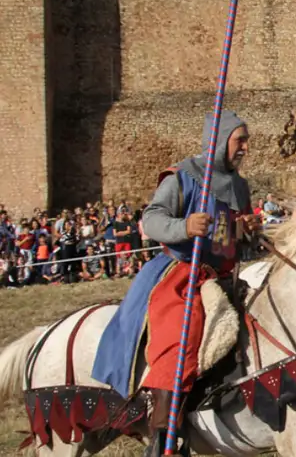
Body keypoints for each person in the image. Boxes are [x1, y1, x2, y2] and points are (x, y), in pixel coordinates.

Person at [92, 110, 259, 456]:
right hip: (183, 272)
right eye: (239, 140)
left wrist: (249, 234)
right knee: (182, 337)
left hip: (226, 275)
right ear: (219, 140)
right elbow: (151, 220)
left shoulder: (239, 186)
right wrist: (184, 228)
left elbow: (230, 236)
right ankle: (165, 434)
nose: (245, 147)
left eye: (246, 140)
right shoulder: (183, 178)